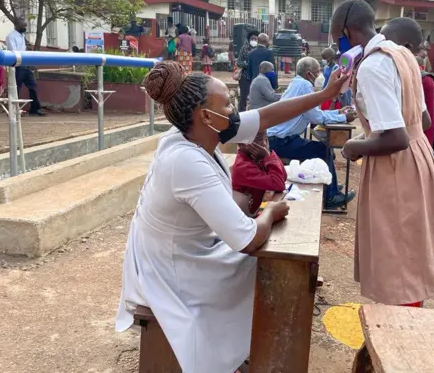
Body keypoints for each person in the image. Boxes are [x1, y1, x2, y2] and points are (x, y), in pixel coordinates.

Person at [115, 61, 349, 373]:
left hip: (185, 252)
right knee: (269, 269)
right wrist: (271, 212)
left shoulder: (197, 131)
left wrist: (324, 94)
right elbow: (248, 239)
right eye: (227, 103)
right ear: (206, 115)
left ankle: (240, 350)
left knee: (269, 264)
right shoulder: (185, 160)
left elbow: (268, 115)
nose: (234, 109)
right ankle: (252, 355)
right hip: (171, 270)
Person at [333, 0, 434, 308]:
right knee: (412, 251)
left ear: (348, 31)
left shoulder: (373, 66)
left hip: (397, 165)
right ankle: (405, 324)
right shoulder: (403, 55)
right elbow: (421, 121)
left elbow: (396, 137)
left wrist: (354, 146)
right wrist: (371, 134)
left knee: (396, 256)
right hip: (420, 158)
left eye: (338, 39)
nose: (339, 46)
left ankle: (398, 335)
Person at [267, 56, 357, 210]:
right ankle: (331, 196)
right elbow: (315, 117)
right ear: (309, 74)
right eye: (317, 72)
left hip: (278, 138)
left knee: (322, 150)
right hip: (281, 141)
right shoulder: (304, 86)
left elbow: (313, 113)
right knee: (324, 150)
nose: (318, 75)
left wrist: (338, 112)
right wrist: (342, 117)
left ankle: (330, 186)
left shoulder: (297, 83)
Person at [379, 17, 434, 137]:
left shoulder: (424, 81)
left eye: (386, 42)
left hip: (410, 147)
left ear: (407, 48)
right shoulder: (392, 73)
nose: (380, 47)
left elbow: (425, 123)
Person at [232, 132, 287, 216]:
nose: (264, 143)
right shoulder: (244, 167)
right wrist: (268, 157)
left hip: (251, 211)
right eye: (259, 139)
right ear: (242, 144)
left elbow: (283, 177)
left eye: (265, 138)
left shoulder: (256, 158)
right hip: (242, 215)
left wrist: (269, 154)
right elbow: (279, 184)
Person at [6, 19, 45, 116]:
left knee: (33, 86)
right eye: (23, 26)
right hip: (17, 65)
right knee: (16, 88)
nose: (25, 28)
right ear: (17, 26)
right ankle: (14, 110)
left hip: (25, 65)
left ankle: (35, 109)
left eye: (25, 26)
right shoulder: (11, 36)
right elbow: (14, 51)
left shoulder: (22, 36)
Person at [236, 30, 258, 112]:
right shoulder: (244, 48)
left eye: (256, 39)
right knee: (243, 98)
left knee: (255, 98)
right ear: (249, 39)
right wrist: (247, 64)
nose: (254, 40)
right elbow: (239, 62)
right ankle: (241, 115)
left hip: (256, 77)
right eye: (252, 39)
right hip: (245, 77)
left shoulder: (259, 49)